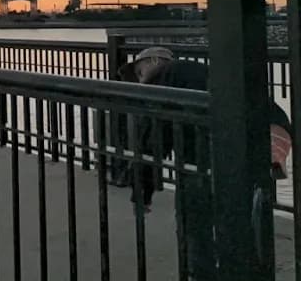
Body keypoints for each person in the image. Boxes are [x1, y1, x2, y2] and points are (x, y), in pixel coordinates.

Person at [124, 47, 292, 280]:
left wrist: (142, 191)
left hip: (205, 152)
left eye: (140, 72)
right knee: (240, 217)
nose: (142, 81)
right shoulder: (199, 71)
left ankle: (203, 274)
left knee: (194, 219)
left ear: (154, 61)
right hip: (259, 124)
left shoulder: (163, 79)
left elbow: (153, 142)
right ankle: (273, 151)